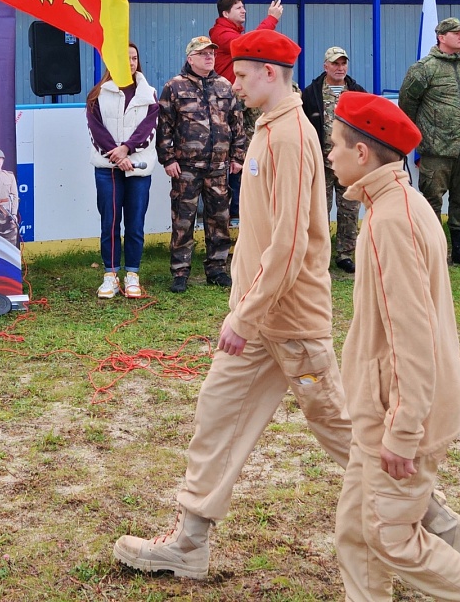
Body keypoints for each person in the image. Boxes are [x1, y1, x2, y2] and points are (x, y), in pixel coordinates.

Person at [115, 29, 348, 579]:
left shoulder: (291, 134)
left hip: (290, 320)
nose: (233, 84)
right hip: (260, 316)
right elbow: (263, 237)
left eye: (241, 75)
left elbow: (289, 243)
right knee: (216, 415)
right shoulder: (267, 126)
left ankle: (431, 523)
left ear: (269, 73)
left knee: (340, 428)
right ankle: (189, 543)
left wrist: (244, 314)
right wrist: (242, 306)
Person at [329, 91, 460, 602]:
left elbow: (411, 335)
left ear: (361, 153)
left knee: (391, 538)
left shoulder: (390, 221)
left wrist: (403, 429)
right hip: (381, 405)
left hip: (398, 409)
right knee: (356, 531)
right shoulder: (397, 203)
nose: (329, 154)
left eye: (334, 144)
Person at [156, 36, 247, 292]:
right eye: (203, 53)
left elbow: (237, 124)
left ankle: (217, 268)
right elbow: (164, 127)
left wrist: (238, 157)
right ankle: (180, 272)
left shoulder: (225, 86)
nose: (209, 57)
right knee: (183, 220)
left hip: (219, 167)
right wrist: (168, 158)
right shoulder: (174, 86)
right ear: (190, 58)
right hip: (185, 168)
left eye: (211, 53)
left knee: (219, 218)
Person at [398, 17, 460, 268]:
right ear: (441, 37)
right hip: (436, 150)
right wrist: (427, 131)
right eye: (455, 32)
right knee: (432, 201)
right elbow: (408, 103)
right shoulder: (424, 68)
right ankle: (433, 252)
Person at [88, 43, 158, 299]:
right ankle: (110, 275)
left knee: (135, 224)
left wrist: (127, 149)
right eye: (125, 58)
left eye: (134, 58)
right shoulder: (98, 94)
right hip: (108, 169)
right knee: (110, 222)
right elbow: (96, 130)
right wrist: (116, 155)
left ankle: (132, 275)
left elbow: (149, 129)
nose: (130, 62)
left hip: (138, 169)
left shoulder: (149, 93)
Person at [209, 0, 282, 222]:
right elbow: (249, 45)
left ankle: (245, 207)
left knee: (250, 151)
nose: (244, 10)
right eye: (238, 7)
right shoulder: (220, 33)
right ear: (225, 13)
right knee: (234, 153)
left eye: (244, 7)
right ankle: (233, 211)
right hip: (229, 101)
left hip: (244, 99)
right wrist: (271, 19)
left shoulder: (233, 32)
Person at [300, 46, 367, 273]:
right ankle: (318, 254)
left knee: (349, 209)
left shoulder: (357, 92)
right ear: (325, 66)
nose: (340, 68)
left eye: (343, 63)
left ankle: (345, 254)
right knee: (319, 210)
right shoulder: (311, 94)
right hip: (322, 163)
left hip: (349, 164)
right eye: (335, 63)